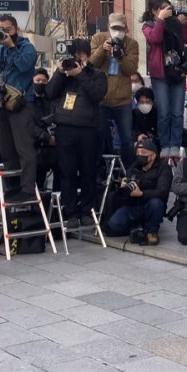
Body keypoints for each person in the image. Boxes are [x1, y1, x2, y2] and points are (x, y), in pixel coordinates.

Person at [45, 39, 107, 228]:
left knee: (89, 171)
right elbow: (50, 93)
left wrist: (80, 74)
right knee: (67, 173)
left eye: (80, 54)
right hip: (64, 129)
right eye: (73, 55)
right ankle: (70, 212)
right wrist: (60, 73)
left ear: (87, 55)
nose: (76, 59)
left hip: (88, 129)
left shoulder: (97, 74)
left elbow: (97, 94)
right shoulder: (63, 75)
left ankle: (88, 210)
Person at [0, 14, 38, 200]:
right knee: (7, 149)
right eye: (1, 30)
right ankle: (13, 186)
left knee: (24, 148)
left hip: (22, 103)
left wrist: (11, 46)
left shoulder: (27, 47)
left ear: (16, 29)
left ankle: (27, 189)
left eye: (8, 30)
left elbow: (25, 65)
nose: (4, 34)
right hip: (3, 103)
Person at [142, 0, 187, 159]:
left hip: (177, 72)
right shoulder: (148, 25)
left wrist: (185, 23)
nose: (167, 11)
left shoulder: (176, 24)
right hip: (160, 74)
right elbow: (155, 39)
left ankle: (176, 144)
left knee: (177, 113)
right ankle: (165, 145)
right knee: (164, 112)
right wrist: (160, 20)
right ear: (153, 11)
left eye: (168, 8)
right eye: (162, 8)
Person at [90, 13, 140, 167]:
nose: (117, 32)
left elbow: (131, 69)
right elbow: (91, 64)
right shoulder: (98, 39)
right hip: (101, 98)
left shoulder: (131, 44)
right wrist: (102, 50)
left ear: (126, 29)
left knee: (126, 138)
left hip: (122, 100)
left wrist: (121, 56)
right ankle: (103, 170)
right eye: (114, 28)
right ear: (109, 28)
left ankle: (128, 171)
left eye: (121, 29)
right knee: (101, 136)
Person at [106, 138, 172, 245]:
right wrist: (123, 186)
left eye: (144, 153)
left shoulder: (163, 168)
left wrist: (142, 193)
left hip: (150, 205)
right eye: (138, 152)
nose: (140, 155)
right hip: (133, 205)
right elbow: (126, 188)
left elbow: (162, 192)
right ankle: (138, 228)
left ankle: (152, 231)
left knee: (156, 204)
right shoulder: (134, 167)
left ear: (153, 155)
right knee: (114, 224)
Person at [31, 68, 59, 191]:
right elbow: (29, 126)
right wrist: (47, 138)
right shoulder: (28, 101)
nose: (41, 83)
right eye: (38, 80)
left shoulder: (52, 100)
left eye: (44, 81)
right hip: (36, 146)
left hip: (54, 146)